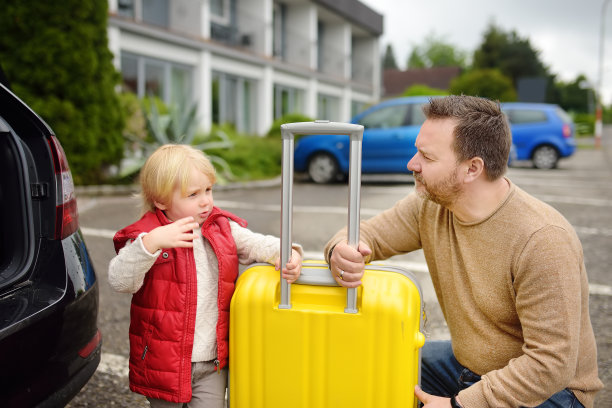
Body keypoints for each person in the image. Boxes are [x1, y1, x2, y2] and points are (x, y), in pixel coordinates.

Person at [325, 95, 602, 408]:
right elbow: (366, 233)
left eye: (426, 158)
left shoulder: (543, 239)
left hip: (550, 393)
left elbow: (549, 364)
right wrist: (340, 249)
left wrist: (461, 405)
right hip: (466, 365)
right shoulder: (430, 206)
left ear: (472, 168)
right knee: (380, 362)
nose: (412, 164)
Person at [109, 144, 302, 408]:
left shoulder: (221, 227)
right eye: (193, 194)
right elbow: (120, 280)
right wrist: (151, 244)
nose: (205, 201)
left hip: (211, 360)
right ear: (161, 200)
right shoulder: (148, 236)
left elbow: (256, 243)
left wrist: (287, 252)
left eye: (208, 190)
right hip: (164, 360)